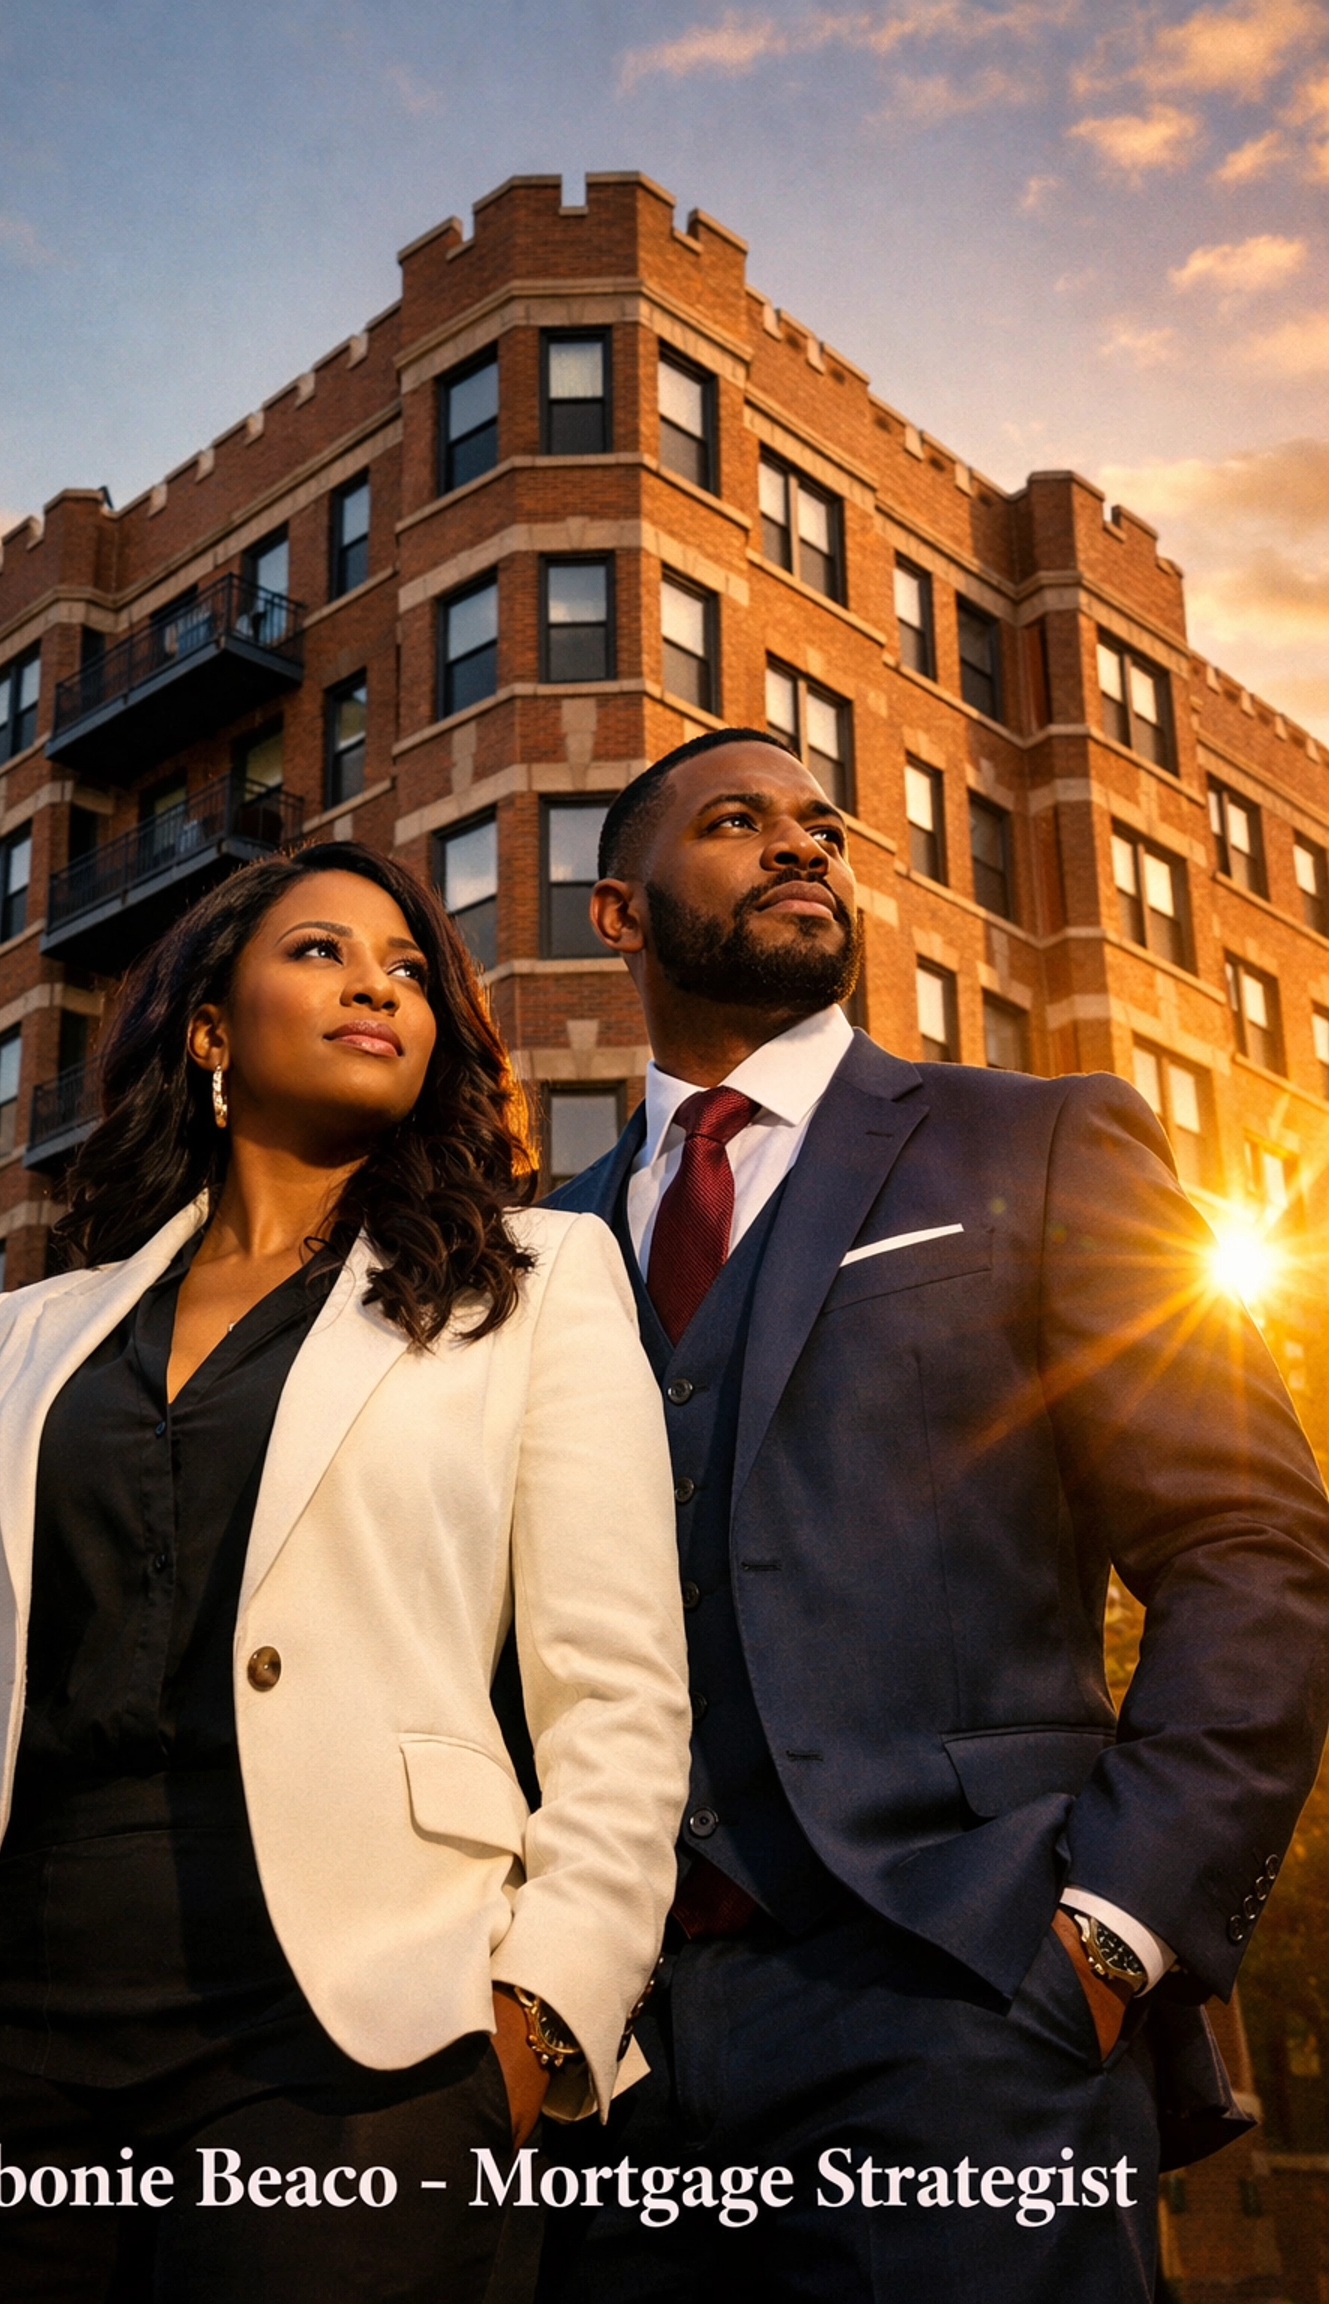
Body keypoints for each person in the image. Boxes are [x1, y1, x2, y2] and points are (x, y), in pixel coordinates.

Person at [0, 840, 691, 2304]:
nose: (380, 987)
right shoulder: (33, 1335)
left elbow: (619, 1694)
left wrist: (541, 2015)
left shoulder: (538, 1284)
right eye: (324, 952)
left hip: (359, 2035)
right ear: (213, 1029)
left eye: (410, 971)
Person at [538, 729, 1329, 2303]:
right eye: (737, 821)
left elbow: (1249, 1546)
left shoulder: (1035, 1138)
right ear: (618, 914)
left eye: (822, 824)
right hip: (620, 2068)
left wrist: (1110, 1932)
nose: (801, 844)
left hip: (965, 2000)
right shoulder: (542, 1248)